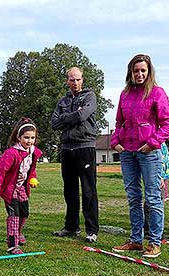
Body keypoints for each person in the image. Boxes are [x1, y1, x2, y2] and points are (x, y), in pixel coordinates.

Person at [111, 54, 169, 258]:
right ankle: (136, 240)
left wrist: (152, 143)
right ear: (130, 72)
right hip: (127, 153)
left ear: (149, 72)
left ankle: (155, 242)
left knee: (153, 198)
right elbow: (119, 122)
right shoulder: (125, 94)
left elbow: (168, 124)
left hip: (149, 153)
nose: (139, 74)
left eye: (143, 70)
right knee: (133, 197)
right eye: (136, 70)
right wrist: (115, 143)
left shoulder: (157, 93)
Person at [51, 66, 99, 243]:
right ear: (67, 81)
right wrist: (72, 116)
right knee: (69, 190)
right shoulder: (62, 101)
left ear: (82, 80)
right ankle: (71, 227)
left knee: (88, 190)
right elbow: (54, 123)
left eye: (78, 79)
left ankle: (92, 230)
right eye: (72, 79)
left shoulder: (90, 96)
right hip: (66, 148)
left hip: (84, 147)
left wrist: (66, 118)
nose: (75, 82)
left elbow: (82, 116)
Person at [0, 118, 42, 254]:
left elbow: (31, 170)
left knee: (24, 213)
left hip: (22, 188)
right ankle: (13, 245)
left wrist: (32, 178)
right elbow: (0, 173)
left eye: (32, 138)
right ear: (19, 137)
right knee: (14, 215)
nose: (29, 141)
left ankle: (18, 233)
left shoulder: (33, 152)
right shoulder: (11, 153)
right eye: (26, 137)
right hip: (9, 189)